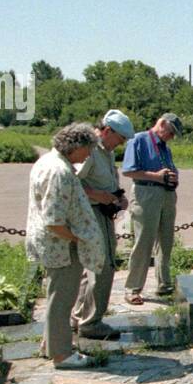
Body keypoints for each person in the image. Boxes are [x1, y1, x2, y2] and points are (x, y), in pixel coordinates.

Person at [26, 123, 105, 369]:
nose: (89, 155)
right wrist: (77, 238)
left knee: (57, 296)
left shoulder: (48, 161)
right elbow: (53, 220)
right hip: (59, 246)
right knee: (62, 298)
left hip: (55, 243)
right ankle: (61, 354)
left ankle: (50, 344)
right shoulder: (58, 171)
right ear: (76, 147)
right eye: (88, 149)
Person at [70, 109, 134, 340]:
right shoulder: (89, 151)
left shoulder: (104, 151)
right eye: (120, 138)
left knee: (91, 270)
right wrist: (99, 195)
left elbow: (103, 181)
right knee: (103, 267)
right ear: (107, 131)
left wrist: (117, 196)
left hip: (102, 211)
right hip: (92, 213)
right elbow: (71, 183)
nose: (121, 144)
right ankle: (91, 323)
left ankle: (79, 316)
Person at [120, 112, 183, 304]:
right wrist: (157, 176)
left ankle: (164, 283)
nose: (171, 137)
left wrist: (172, 179)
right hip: (146, 194)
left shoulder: (166, 148)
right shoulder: (138, 140)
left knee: (166, 241)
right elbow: (128, 170)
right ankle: (133, 288)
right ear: (162, 124)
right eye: (171, 133)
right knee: (144, 242)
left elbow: (168, 170)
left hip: (166, 195)